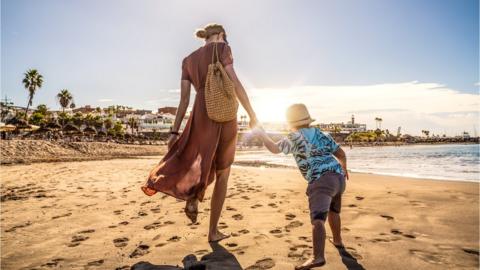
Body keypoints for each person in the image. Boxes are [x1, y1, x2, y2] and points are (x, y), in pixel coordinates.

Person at [141, 23, 258, 242]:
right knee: (223, 172)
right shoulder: (223, 48)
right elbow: (235, 82)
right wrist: (252, 113)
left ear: (206, 37)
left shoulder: (188, 60)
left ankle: (194, 196)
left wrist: (174, 131)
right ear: (221, 35)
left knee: (199, 158)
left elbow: (184, 100)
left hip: (200, 112)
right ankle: (213, 231)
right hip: (222, 112)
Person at [253, 103, 348, 270]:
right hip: (339, 177)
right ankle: (338, 240)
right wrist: (344, 169)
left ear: (291, 122)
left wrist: (262, 134)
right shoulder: (321, 133)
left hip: (321, 181)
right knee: (334, 211)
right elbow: (341, 153)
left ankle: (317, 257)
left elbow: (275, 149)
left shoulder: (294, 137)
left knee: (318, 219)